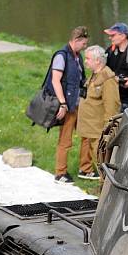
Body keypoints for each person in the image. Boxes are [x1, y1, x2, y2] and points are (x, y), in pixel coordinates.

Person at [46, 26, 88, 183]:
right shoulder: (61, 56)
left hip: (78, 104)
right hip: (68, 105)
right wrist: (63, 104)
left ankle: (86, 168)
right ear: (76, 40)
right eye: (83, 43)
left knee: (87, 135)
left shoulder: (78, 56)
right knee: (65, 139)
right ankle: (60, 172)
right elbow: (55, 81)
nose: (85, 47)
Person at [76, 45, 120, 180]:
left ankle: (104, 190)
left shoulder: (107, 79)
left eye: (88, 58)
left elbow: (111, 107)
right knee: (96, 158)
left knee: (102, 161)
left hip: (98, 131)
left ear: (98, 61)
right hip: (89, 127)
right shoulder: (95, 75)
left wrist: (107, 131)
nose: (85, 61)